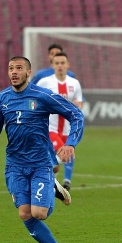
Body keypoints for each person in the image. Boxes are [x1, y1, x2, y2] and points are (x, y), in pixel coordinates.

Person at [0, 56, 84, 243]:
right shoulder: (1, 99)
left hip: (39, 163)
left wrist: (71, 143)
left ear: (29, 73)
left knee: (40, 213)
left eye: (19, 68)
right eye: (11, 68)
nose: (14, 72)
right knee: (24, 213)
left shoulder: (42, 95)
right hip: (15, 165)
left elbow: (76, 114)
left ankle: (52, 187)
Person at [37, 52, 83, 191]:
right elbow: (34, 97)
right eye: (57, 63)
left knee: (62, 157)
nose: (60, 66)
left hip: (68, 128)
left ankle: (60, 181)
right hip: (50, 128)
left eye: (63, 63)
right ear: (52, 65)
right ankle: (51, 179)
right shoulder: (45, 82)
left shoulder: (74, 83)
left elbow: (79, 103)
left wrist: (76, 106)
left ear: (68, 64)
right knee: (62, 154)